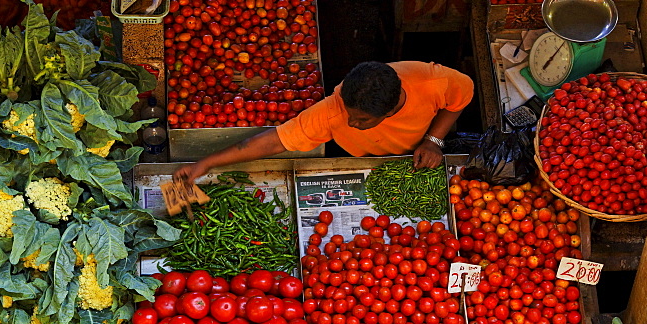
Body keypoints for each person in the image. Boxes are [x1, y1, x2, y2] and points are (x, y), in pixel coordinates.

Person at [174, 61, 474, 182]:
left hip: (415, 151)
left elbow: (461, 98)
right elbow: (273, 141)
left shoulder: (434, 82)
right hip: (357, 156)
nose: (351, 123)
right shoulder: (333, 111)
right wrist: (207, 163)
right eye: (349, 113)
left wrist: (433, 141)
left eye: (361, 120)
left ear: (388, 111)